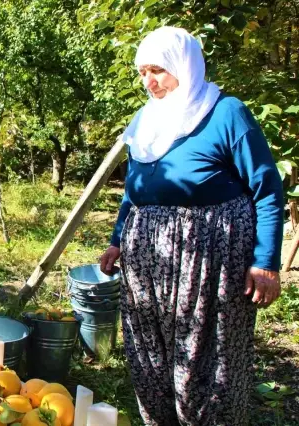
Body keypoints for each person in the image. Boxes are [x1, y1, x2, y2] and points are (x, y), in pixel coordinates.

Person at [99, 27, 284, 425]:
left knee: (205, 354)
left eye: (158, 71)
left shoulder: (226, 113)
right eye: (142, 72)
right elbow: (134, 192)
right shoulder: (146, 121)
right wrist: (117, 241)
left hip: (208, 260)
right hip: (147, 259)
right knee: (149, 352)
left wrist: (266, 262)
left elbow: (267, 189)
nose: (149, 82)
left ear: (184, 66)